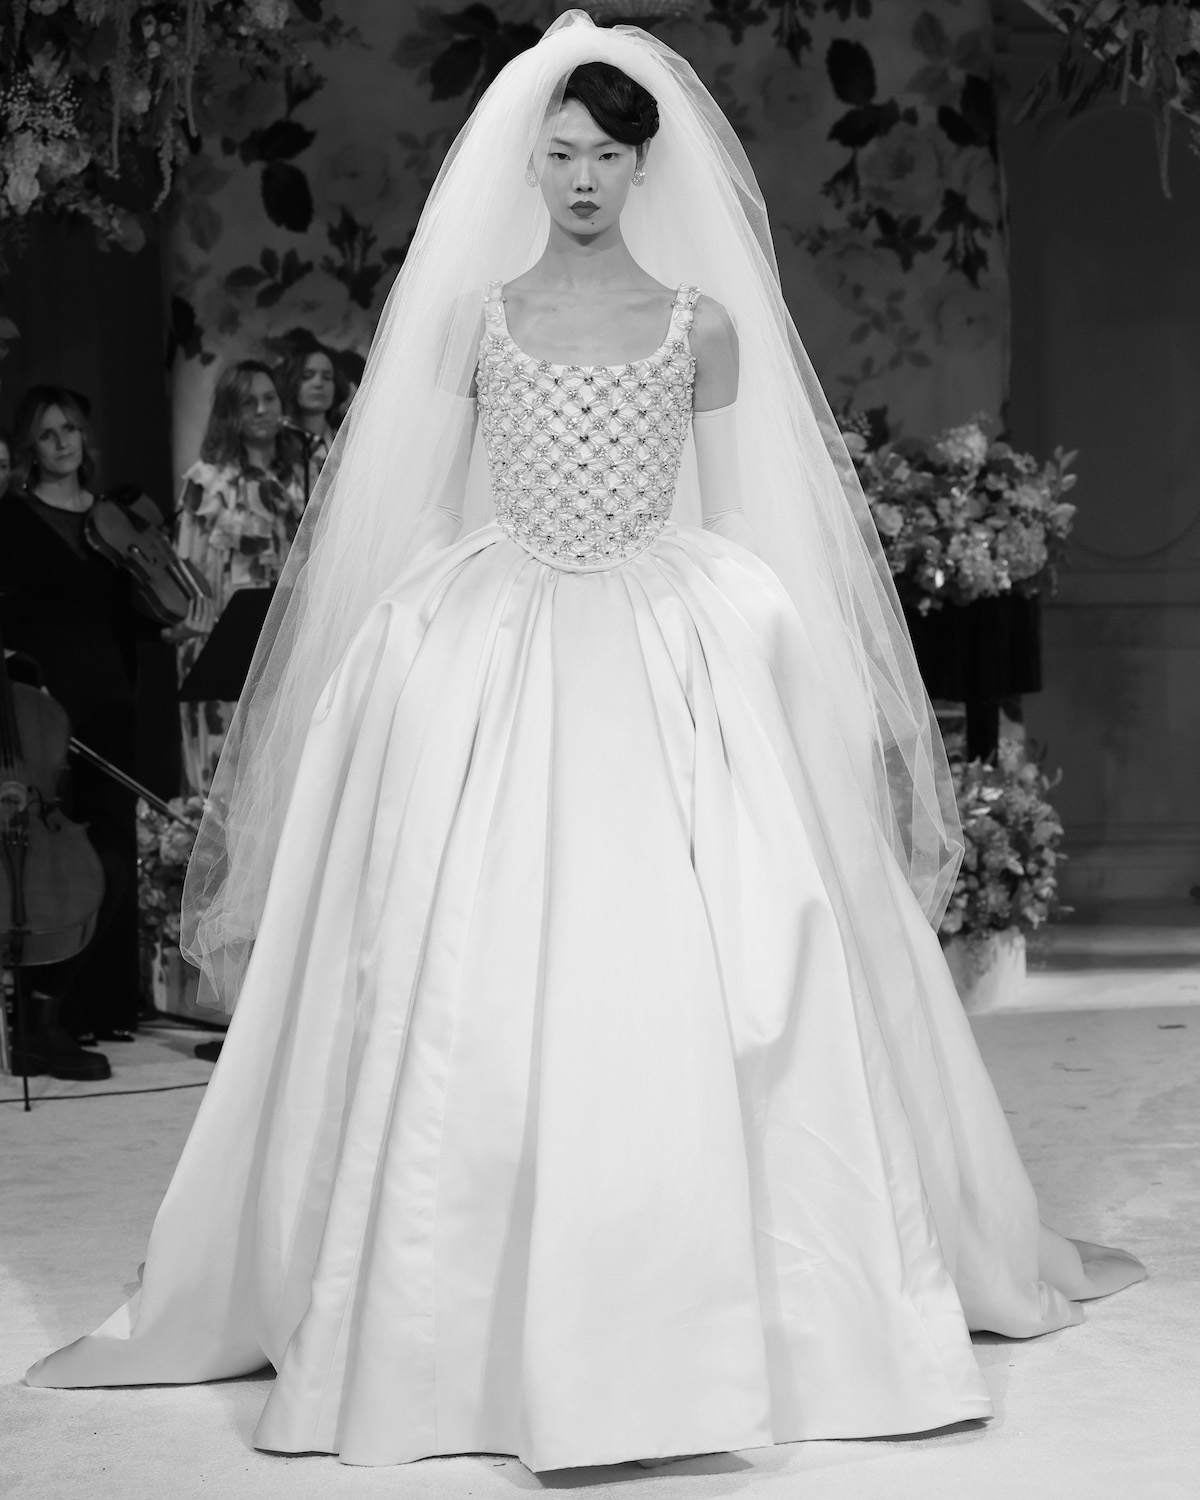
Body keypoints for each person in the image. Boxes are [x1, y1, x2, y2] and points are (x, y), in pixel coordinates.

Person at [26, 15, 1144, 1471]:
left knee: (734, 941)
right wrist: (408, 645)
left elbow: (734, 507)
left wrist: (758, 650)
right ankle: (459, 1320)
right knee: (464, 950)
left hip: (665, 630)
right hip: (501, 630)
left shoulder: (705, 326)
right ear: (528, 163)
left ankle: (760, 1306)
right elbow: (433, 502)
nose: (579, 178)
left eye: (605, 156)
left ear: (641, 166)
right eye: (559, 154)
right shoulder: (478, 319)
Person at [0, 388, 208, 1077]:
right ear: (30, 447)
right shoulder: (12, 518)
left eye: (71, 429)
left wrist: (167, 626)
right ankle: (47, 1015)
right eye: (47, 433)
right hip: (42, 713)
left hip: (112, 702)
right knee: (55, 864)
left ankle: (106, 1005)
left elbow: (126, 612)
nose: (63, 442)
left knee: (113, 850)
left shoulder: (110, 521)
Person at [174, 361, 305, 794]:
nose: (263, 410)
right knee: (227, 773)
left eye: (270, 399)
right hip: (224, 638)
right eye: (249, 402)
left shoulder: (298, 479)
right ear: (230, 412)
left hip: (283, 636)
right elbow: (189, 567)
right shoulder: (208, 481)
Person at [274, 339, 346, 500]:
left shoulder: (347, 444)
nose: (318, 383)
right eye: (307, 376)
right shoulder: (275, 444)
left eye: (327, 377)